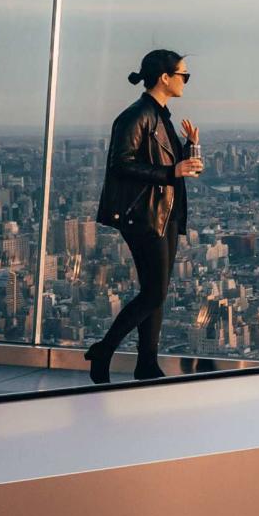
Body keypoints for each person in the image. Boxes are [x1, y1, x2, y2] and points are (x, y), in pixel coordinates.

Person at [88, 49, 203, 383]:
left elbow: (165, 164)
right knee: (154, 293)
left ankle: (147, 364)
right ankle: (104, 348)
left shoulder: (161, 115)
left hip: (164, 213)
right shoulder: (136, 116)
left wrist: (190, 149)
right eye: (184, 74)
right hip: (144, 215)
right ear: (164, 77)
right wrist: (172, 172)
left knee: (158, 292)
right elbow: (121, 164)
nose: (186, 81)